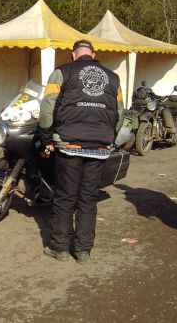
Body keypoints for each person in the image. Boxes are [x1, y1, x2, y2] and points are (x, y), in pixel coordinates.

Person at [38, 40, 124, 264]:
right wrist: (109, 138)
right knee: (88, 198)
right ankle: (83, 251)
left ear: (73, 54)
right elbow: (119, 116)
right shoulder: (113, 78)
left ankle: (60, 249)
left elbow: (47, 108)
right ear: (93, 54)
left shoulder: (62, 72)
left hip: (70, 145)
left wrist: (47, 138)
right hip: (99, 147)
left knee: (65, 197)